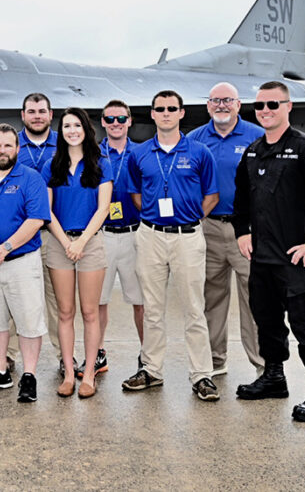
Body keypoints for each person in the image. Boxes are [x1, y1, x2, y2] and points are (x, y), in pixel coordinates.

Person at [233, 81, 305, 422]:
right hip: (262, 258)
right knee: (266, 321)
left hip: (297, 258)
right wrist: (241, 233)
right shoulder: (252, 152)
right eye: (261, 106)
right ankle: (273, 376)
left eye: (273, 105)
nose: (266, 111)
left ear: (288, 107)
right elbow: (240, 199)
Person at [125, 90, 221, 401]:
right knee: (153, 308)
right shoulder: (139, 154)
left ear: (181, 113)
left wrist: (190, 219)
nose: (165, 113)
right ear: (151, 114)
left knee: (194, 308)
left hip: (188, 237)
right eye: (159, 109)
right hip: (151, 235)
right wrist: (154, 220)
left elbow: (212, 196)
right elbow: (136, 195)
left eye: (172, 109)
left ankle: (202, 375)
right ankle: (151, 369)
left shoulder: (199, 152)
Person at [0, 124, 50, 403]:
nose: (2, 151)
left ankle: (29, 375)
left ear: (17, 149)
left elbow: (36, 219)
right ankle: (0, 370)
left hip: (21, 261)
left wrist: (4, 248)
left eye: (8, 146)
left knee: (29, 320)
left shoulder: (31, 178)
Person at [188, 83, 265, 378]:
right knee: (211, 296)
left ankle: (262, 363)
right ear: (208, 106)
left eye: (227, 100)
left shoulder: (256, 137)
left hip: (245, 230)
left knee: (254, 296)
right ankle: (215, 360)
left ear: (238, 104)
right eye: (216, 101)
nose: (221, 105)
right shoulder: (195, 139)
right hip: (208, 228)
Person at [41, 107, 112, 399]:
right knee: (66, 312)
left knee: (90, 312)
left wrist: (81, 241)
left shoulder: (100, 163)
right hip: (59, 244)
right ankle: (69, 373)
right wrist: (67, 242)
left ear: (86, 129)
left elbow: (103, 208)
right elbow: (46, 211)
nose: (72, 130)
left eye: (77, 125)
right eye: (67, 126)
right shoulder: (51, 165)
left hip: (90, 242)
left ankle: (90, 375)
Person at [83, 99, 144, 380]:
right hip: (102, 235)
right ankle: (98, 354)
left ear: (129, 121)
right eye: (110, 119)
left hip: (134, 233)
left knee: (142, 301)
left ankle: (148, 356)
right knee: (98, 301)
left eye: (121, 118)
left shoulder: (142, 153)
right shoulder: (93, 155)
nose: (116, 124)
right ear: (103, 122)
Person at [17, 93, 68, 375]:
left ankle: (65, 356)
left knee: (58, 300)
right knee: (15, 297)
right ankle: (10, 356)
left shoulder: (65, 143)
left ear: (50, 115)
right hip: (19, 233)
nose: (37, 116)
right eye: (31, 111)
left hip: (53, 232)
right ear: (23, 115)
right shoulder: (11, 144)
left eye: (42, 111)